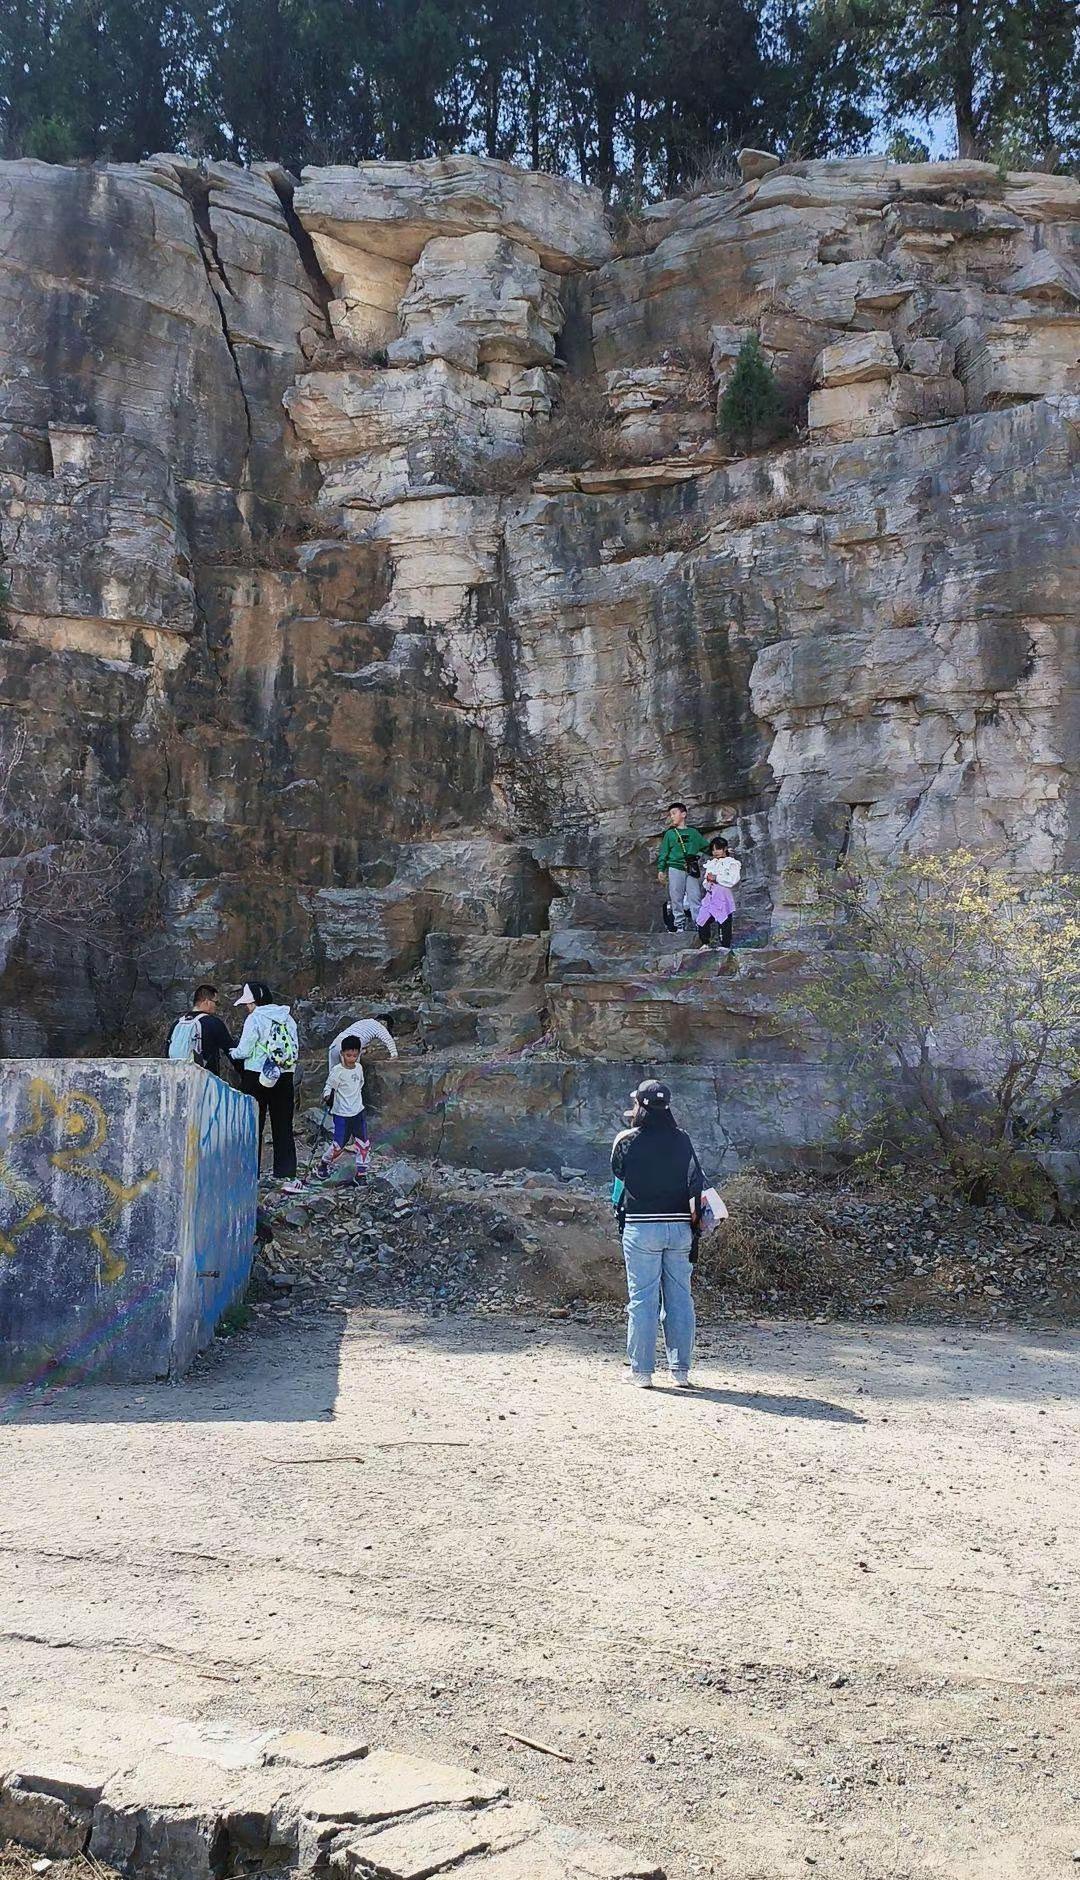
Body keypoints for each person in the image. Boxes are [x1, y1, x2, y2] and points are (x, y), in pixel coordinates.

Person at [610, 1079, 704, 1389]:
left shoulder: (626, 1139)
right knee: (680, 1299)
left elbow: (619, 1173)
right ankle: (680, 1371)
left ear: (640, 1105)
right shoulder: (683, 1139)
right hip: (679, 1228)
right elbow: (695, 1177)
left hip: (642, 1227)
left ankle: (642, 1372)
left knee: (642, 1300)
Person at [230, 980, 299, 1181]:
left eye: (247, 1003)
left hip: (256, 1075)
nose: (246, 1007)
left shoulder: (255, 1019)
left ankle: (250, 1173)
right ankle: (285, 1173)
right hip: (285, 1074)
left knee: (252, 1125)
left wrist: (233, 1053)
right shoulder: (287, 1017)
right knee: (283, 1125)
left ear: (255, 1002)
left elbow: (244, 1050)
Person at [312, 1035, 369, 1187]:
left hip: (358, 1111)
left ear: (359, 1054)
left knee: (363, 1143)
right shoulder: (337, 1071)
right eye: (348, 1055)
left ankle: (361, 1173)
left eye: (355, 1055)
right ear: (342, 1054)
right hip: (342, 1114)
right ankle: (323, 1163)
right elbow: (328, 1087)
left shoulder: (359, 1068)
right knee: (338, 1145)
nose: (351, 1059)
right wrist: (327, 1096)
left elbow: (360, 1085)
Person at [656, 803, 708, 934]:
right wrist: (661, 869)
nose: (672, 816)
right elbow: (664, 852)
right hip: (675, 867)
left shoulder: (693, 833)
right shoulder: (670, 834)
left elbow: (706, 847)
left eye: (674, 813)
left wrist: (723, 852)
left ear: (683, 814)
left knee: (695, 896)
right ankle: (679, 925)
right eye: (670, 814)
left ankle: (699, 925)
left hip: (691, 868)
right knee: (676, 897)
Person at [165, 984, 236, 1078]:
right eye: (216, 1002)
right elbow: (230, 1050)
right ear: (207, 1001)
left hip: (178, 1078)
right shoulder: (213, 1023)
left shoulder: (177, 1024)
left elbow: (167, 1053)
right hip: (204, 1081)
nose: (217, 1006)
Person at [696, 837, 741, 949]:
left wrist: (717, 878)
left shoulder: (732, 863)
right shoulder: (711, 863)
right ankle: (705, 942)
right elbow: (705, 882)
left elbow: (733, 880)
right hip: (711, 893)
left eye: (718, 849)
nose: (715, 852)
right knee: (702, 917)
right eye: (713, 849)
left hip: (723, 894)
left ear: (724, 849)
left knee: (724, 919)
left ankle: (725, 945)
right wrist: (709, 881)